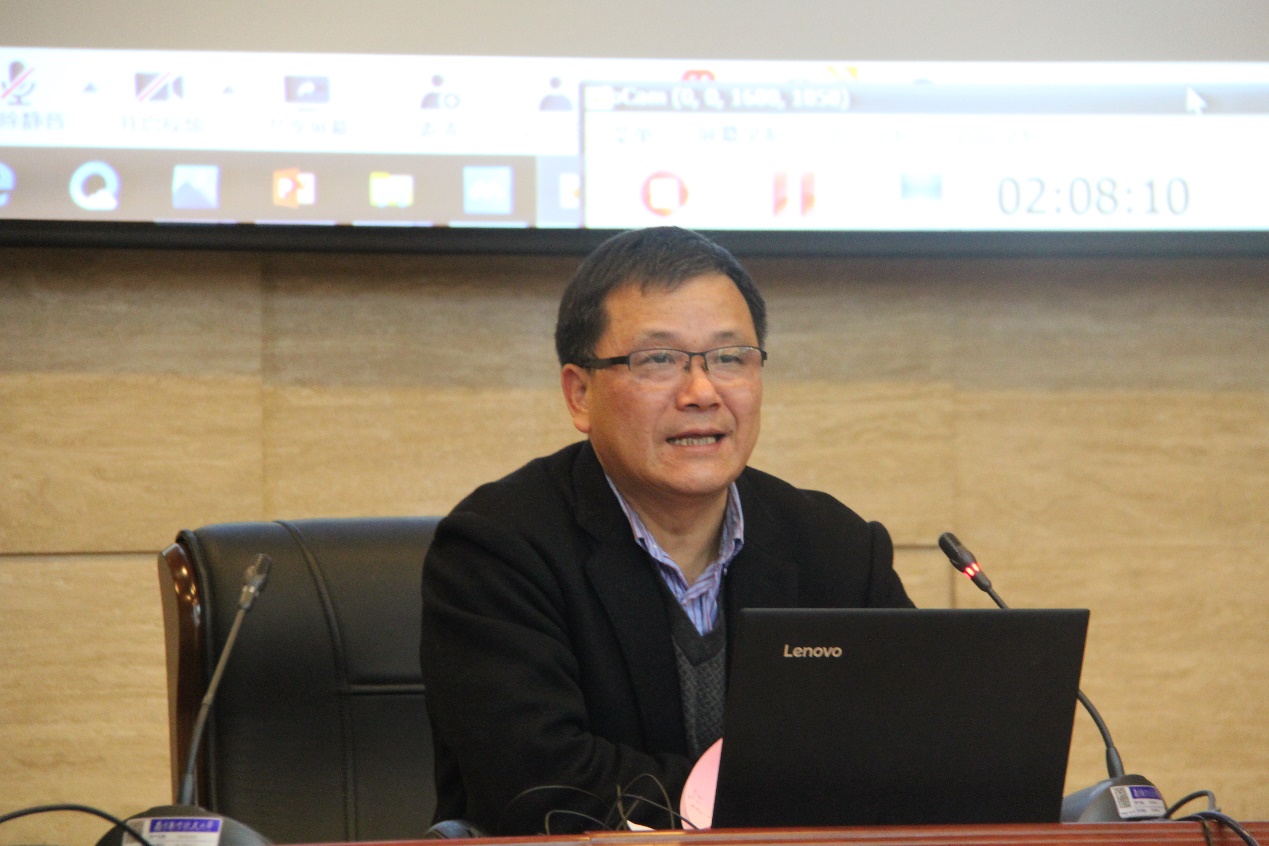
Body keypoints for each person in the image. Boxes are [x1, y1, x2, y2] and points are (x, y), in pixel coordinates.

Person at [419, 226, 912, 835]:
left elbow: (912, 748)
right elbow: (541, 787)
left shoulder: (836, 546)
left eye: (730, 358)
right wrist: (777, 797)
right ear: (579, 394)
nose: (702, 393)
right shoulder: (496, 551)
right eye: (658, 360)